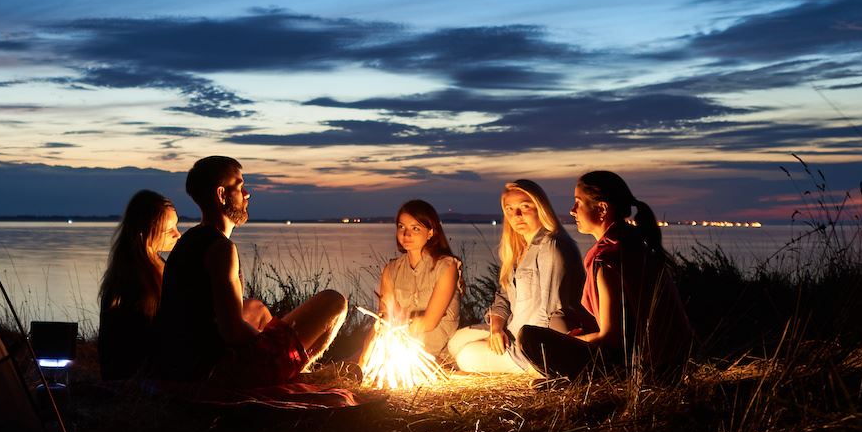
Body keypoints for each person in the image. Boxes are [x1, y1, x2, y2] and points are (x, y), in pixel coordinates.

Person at [151, 156, 349, 387]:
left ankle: (289, 366)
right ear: (222, 194)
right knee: (334, 302)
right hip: (217, 372)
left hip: (183, 363)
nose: (247, 194)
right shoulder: (221, 249)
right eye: (240, 186)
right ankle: (292, 372)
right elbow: (232, 331)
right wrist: (269, 344)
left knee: (255, 308)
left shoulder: (190, 240)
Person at [515, 171, 694, 382]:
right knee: (560, 317)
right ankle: (568, 378)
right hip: (667, 360)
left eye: (578, 203)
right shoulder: (633, 241)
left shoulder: (608, 260)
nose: (573, 211)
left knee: (528, 336)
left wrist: (573, 340)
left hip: (636, 366)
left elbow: (611, 338)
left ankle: (578, 380)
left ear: (602, 209)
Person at [446, 180, 591, 374]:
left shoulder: (551, 246)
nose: (517, 216)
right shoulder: (518, 248)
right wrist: (496, 328)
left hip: (532, 344)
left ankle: (529, 369)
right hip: (513, 329)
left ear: (540, 208)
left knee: (465, 356)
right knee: (455, 342)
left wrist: (528, 350)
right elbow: (503, 297)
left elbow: (552, 312)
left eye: (525, 207)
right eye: (510, 209)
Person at [97, 190, 181, 380]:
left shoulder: (157, 265)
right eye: (169, 230)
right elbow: (141, 343)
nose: (178, 234)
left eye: (176, 226)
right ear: (144, 232)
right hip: (137, 377)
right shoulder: (132, 280)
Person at [370, 200, 462, 364]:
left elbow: (429, 322)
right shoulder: (391, 270)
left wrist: (398, 331)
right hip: (400, 338)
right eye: (401, 227)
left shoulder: (446, 267)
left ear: (430, 232)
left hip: (433, 343)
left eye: (415, 228)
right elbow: (385, 315)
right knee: (369, 343)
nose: (406, 234)